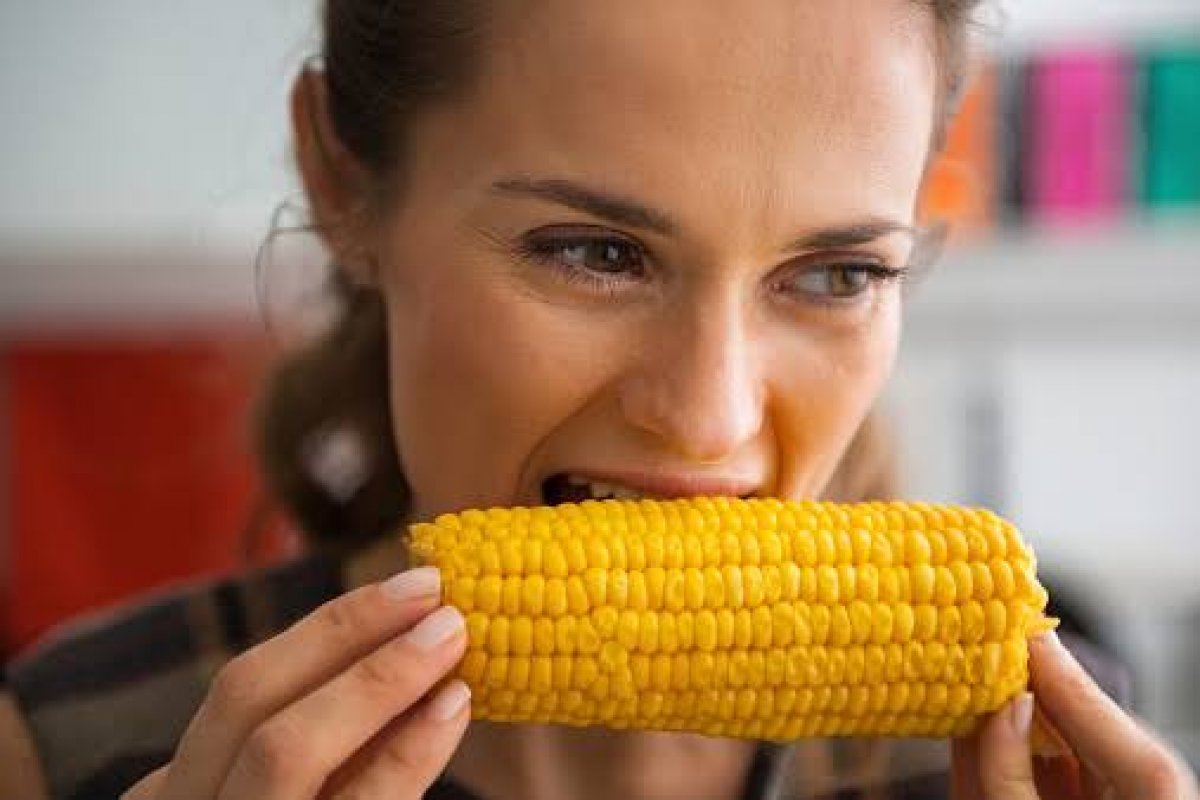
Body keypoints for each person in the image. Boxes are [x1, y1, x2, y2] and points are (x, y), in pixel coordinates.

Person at [2, 1, 1197, 798]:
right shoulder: (69, 743)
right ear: (340, 183)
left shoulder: (1043, 762)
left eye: (837, 274)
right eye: (593, 251)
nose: (710, 415)